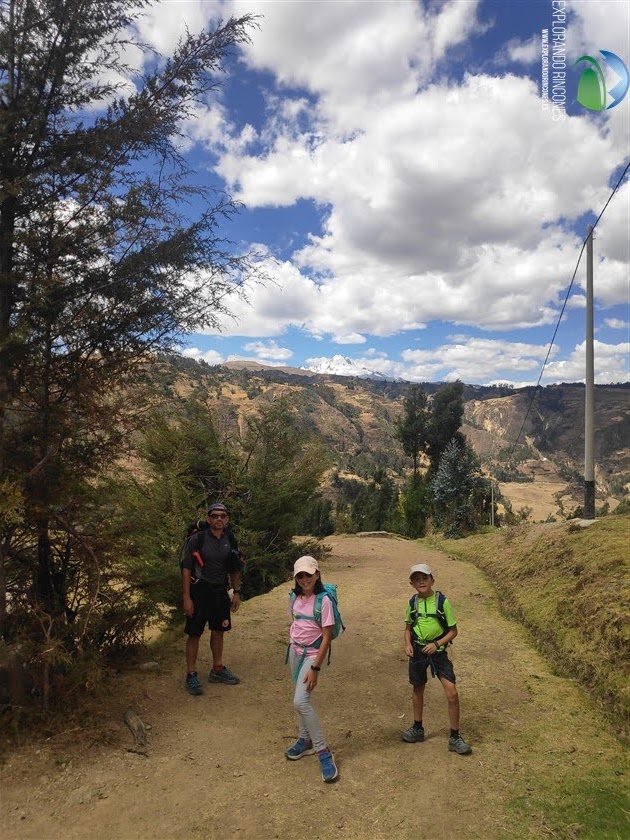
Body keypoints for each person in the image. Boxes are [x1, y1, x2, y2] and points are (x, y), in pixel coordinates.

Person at [401, 563, 472, 755]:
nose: (421, 582)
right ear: (412, 583)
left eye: (425, 578)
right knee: (418, 687)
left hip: (438, 652)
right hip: (417, 650)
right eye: (417, 579)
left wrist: (437, 644)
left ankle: (455, 737)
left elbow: (453, 631)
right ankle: (417, 728)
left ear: (432, 580)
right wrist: (408, 644)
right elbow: (408, 628)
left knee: (452, 693)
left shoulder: (442, 602)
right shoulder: (412, 603)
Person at [285, 555, 339, 783]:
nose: (305, 579)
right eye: (300, 575)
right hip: (294, 653)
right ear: (296, 578)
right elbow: (295, 623)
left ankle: (323, 750)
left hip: (311, 655)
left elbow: (327, 637)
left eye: (309, 574)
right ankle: (304, 740)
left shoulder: (323, 600)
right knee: (300, 698)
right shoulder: (293, 597)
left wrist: (315, 668)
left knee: (300, 701)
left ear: (317, 574)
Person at [182, 502, 243, 695]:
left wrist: (236, 592)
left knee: (219, 630)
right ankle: (191, 674)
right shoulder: (198, 539)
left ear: (227, 519)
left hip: (220, 591)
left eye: (222, 516)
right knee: (194, 633)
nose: (219, 519)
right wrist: (186, 597)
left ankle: (217, 669)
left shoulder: (230, 539)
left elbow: (234, 567)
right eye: (215, 516)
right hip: (199, 591)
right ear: (208, 519)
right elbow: (186, 569)